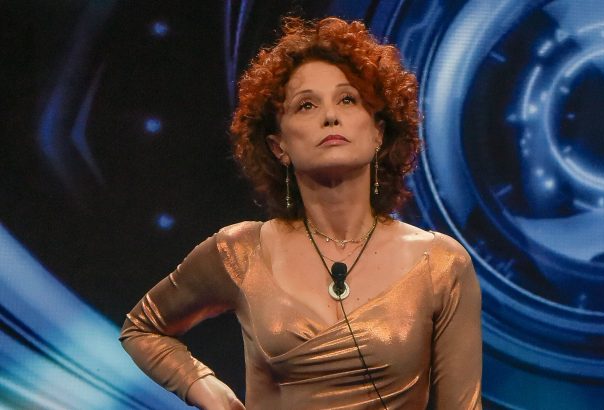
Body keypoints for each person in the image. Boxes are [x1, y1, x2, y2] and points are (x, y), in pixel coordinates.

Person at [120, 16, 482, 409]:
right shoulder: (241, 252)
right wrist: (204, 387)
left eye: (347, 99)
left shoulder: (440, 264)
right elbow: (142, 328)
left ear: (378, 132)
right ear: (279, 147)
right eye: (306, 105)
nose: (330, 116)